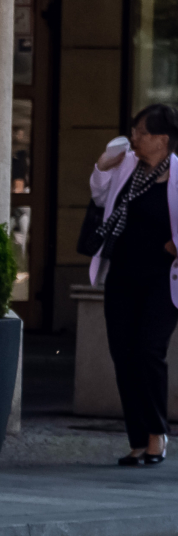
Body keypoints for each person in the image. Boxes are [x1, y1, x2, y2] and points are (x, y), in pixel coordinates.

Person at [84, 103, 178, 465]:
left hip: (163, 278)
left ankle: (157, 434)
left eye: (141, 133)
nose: (134, 138)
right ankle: (137, 440)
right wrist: (102, 168)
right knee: (123, 354)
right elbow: (100, 198)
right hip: (122, 273)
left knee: (149, 352)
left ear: (161, 139)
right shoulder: (128, 166)